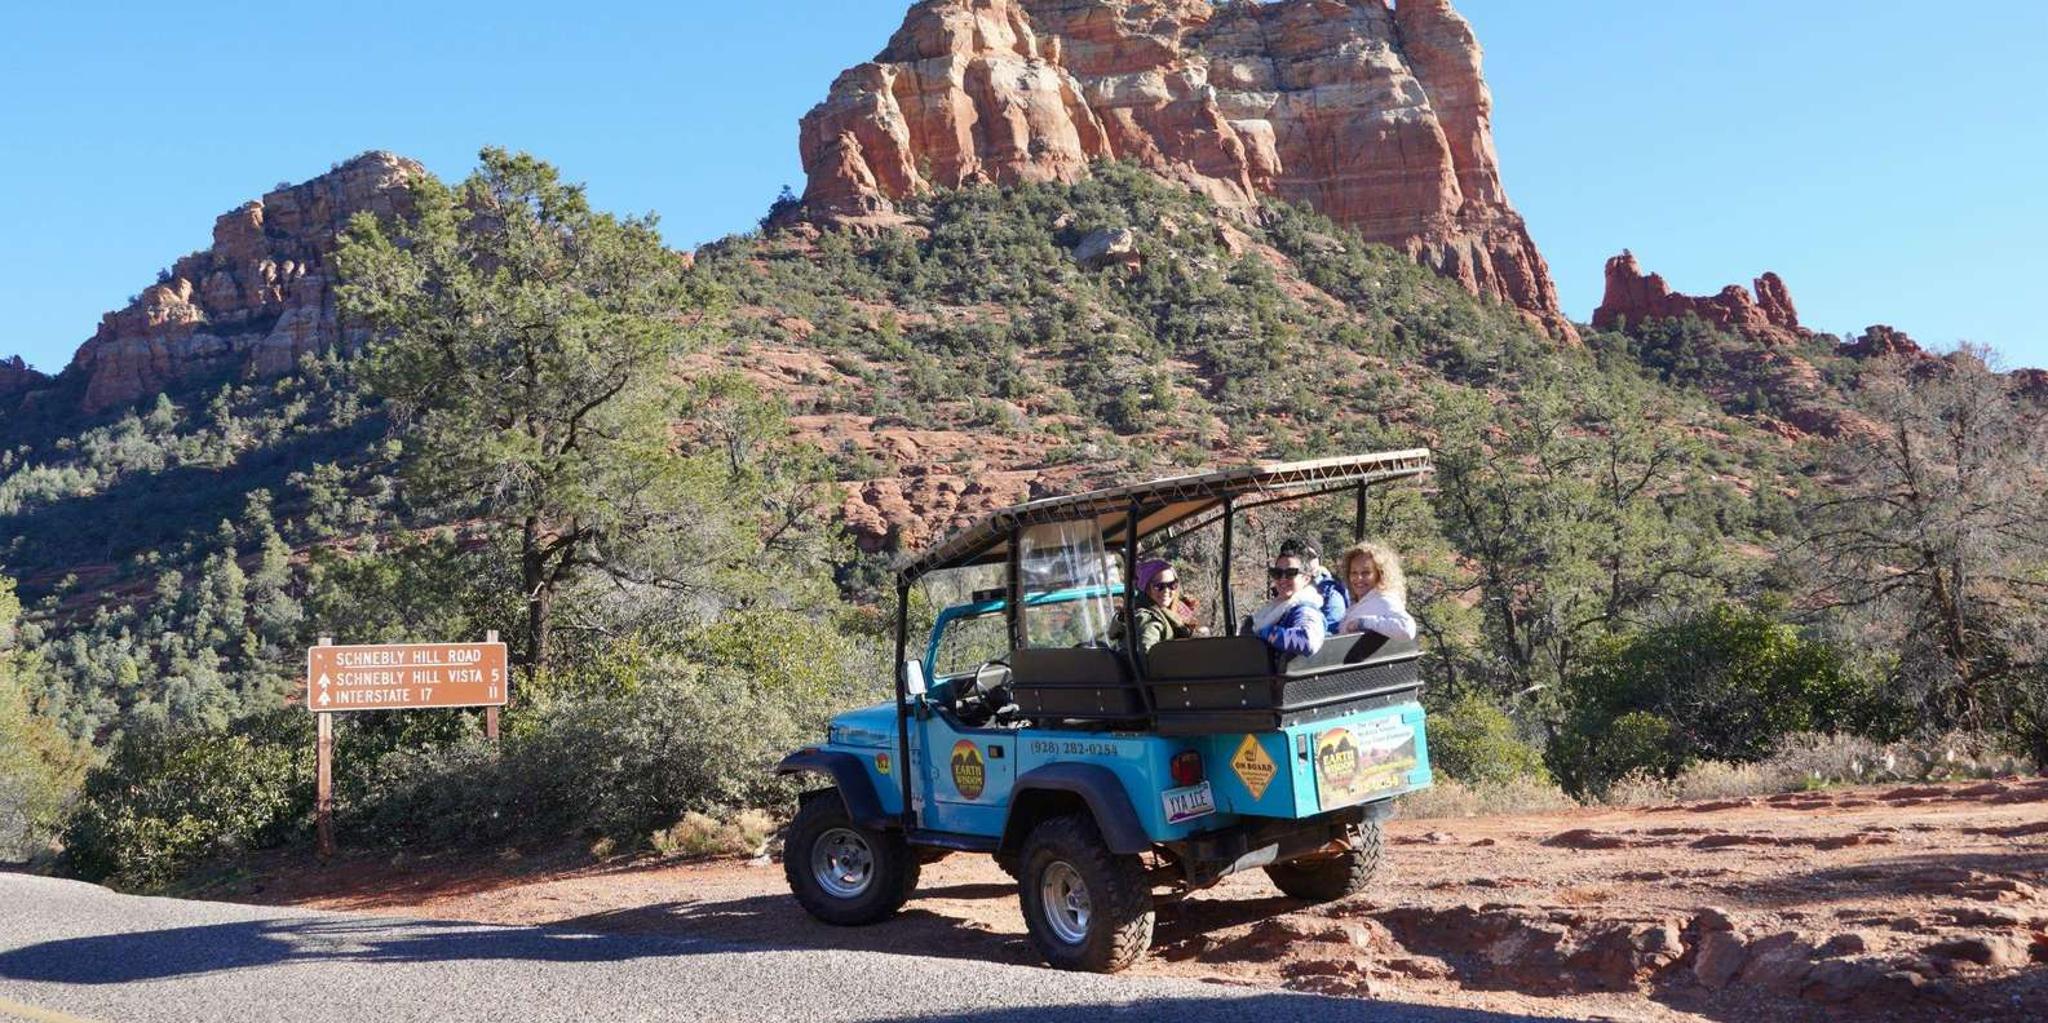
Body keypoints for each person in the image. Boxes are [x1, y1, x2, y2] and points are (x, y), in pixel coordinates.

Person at [1334, 541, 1417, 641]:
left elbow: (1406, 629)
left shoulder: (1384, 600)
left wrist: (1363, 623)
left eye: (1366, 573)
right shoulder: (1359, 601)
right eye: (1354, 572)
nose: (1358, 578)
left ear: (1380, 574)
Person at [1250, 551, 1326, 658]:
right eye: (1277, 573)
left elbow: (1308, 641)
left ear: (1306, 578)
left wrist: (1267, 633)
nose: (1283, 579)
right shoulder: (1274, 609)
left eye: (1291, 573)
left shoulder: (1305, 610)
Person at [1121, 559, 1197, 657]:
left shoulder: (1175, 612)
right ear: (1146, 589)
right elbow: (1148, 659)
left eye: (1172, 585)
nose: (1166, 591)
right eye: (1158, 586)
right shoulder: (1147, 620)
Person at [1279, 538, 1347, 632]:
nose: (1304, 560)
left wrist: (1270, 634)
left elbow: (1330, 639)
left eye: (1309, 556)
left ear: (1319, 559)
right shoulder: (1286, 593)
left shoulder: (1331, 596)